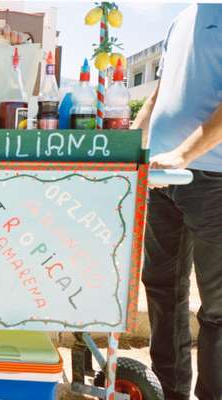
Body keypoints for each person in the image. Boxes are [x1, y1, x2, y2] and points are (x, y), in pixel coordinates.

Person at [131, 4, 222, 399]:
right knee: (162, 287)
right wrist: (128, 145)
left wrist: (184, 154)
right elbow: (159, 92)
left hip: (213, 179)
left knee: (217, 308)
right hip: (163, 177)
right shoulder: (182, 17)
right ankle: (169, 391)